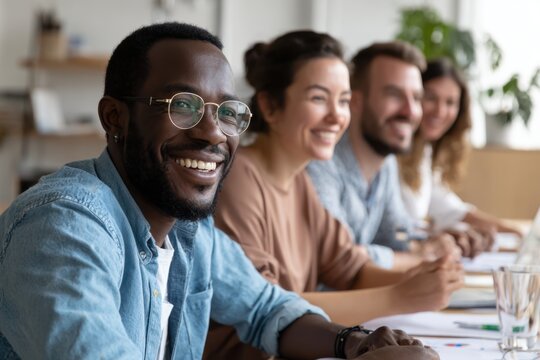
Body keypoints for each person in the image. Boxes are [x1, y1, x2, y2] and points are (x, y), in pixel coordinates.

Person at [0, 23, 438, 360]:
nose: (213, 133)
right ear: (115, 118)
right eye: (182, 106)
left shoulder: (189, 231)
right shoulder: (65, 226)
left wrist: (355, 343)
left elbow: (269, 309)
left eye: (227, 112)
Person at [204, 31, 461, 360]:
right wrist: (401, 294)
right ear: (269, 106)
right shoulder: (238, 179)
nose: (337, 116)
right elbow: (272, 307)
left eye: (342, 101)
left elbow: (350, 269)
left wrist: (423, 279)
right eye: (318, 98)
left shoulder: (298, 182)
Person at [307, 41, 461, 270]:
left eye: (417, 98)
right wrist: (419, 257)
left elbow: (396, 234)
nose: (410, 112)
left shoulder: (386, 161)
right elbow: (338, 259)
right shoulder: (319, 163)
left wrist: (436, 243)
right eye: (394, 95)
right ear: (355, 101)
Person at [397, 58, 522, 257]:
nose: (440, 111)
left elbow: (452, 210)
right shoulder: (392, 152)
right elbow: (395, 229)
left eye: (450, 102)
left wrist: (517, 233)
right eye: (430, 97)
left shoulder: (424, 153)